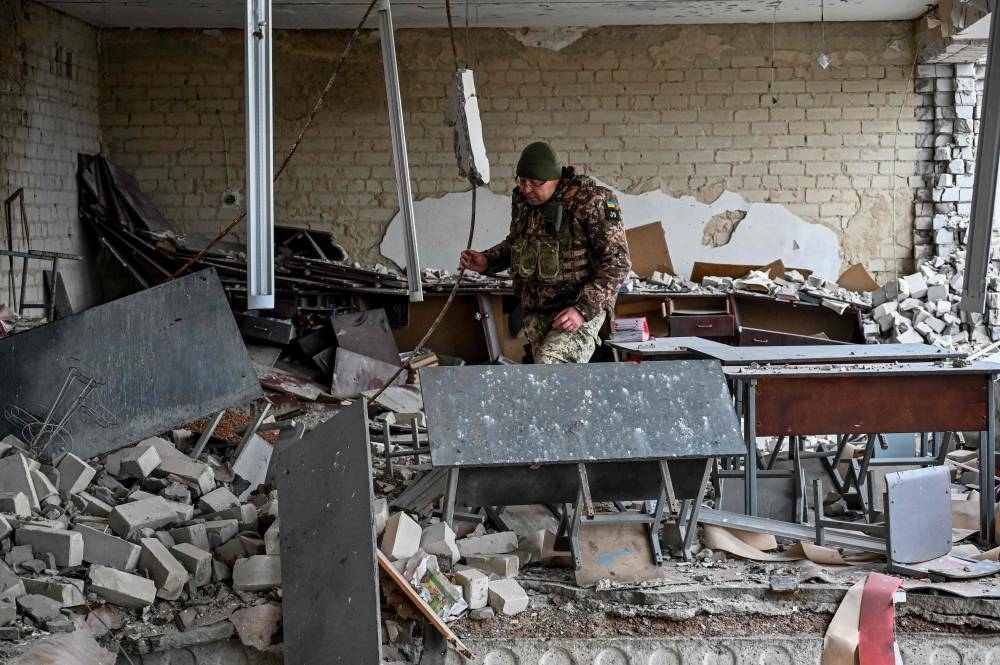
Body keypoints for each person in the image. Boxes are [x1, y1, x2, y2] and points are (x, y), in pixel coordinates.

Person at [459, 142, 631, 363]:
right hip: (537, 310)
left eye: (535, 183)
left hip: (578, 307)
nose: (527, 189)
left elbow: (618, 262)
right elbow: (519, 243)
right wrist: (487, 260)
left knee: (550, 370)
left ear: (555, 179)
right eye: (522, 181)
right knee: (548, 382)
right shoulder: (523, 201)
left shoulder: (591, 200)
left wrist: (582, 310)